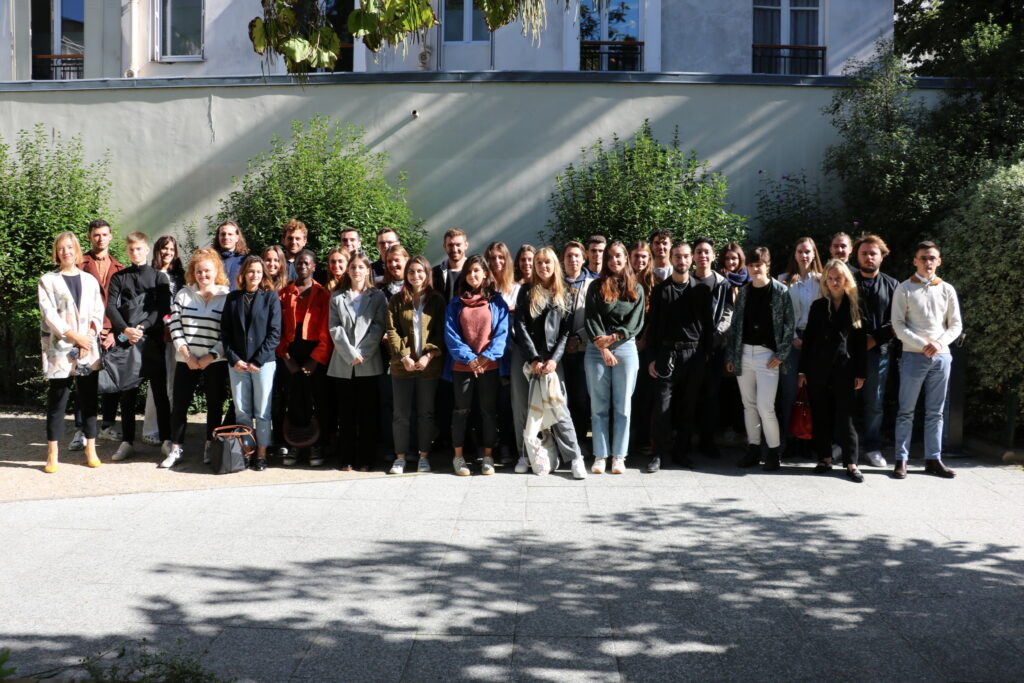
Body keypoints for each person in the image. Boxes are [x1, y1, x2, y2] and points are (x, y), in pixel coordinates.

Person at [512, 247, 587, 479]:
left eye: (547, 263)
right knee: (525, 408)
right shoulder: (526, 291)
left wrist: (554, 359)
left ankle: (575, 458)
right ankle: (525, 454)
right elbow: (520, 326)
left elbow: (565, 332)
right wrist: (533, 357)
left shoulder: (564, 292)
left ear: (555, 265)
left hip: (553, 361)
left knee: (558, 407)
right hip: (528, 359)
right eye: (539, 263)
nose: (543, 267)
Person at [891, 241, 962, 479]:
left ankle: (933, 459)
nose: (927, 262)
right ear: (915, 261)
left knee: (936, 412)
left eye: (932, 258)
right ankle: (901, 460)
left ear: (938, 261)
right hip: (913, 355)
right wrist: (924, 345)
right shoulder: (904, 289)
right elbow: (898, 325)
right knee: (906, 411)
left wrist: (939, 344)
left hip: (941, 357)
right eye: (923, 258)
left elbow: (955, 324)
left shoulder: (947, 289)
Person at [39, 232, 105, 472]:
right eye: (61, 248)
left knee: (88, 401)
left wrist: (88, 335)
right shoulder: (48, 280)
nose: (66, 251)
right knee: (58, 402)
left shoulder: (89, 280)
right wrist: (72, 335)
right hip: (61, 349)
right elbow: (49, 314)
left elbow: (98, 310)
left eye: (70, 247)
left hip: (87, 348)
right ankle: (52, 454)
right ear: (56, 252)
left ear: (77, 250)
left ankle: (91, 449)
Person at [797, 260, 867, 482]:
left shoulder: (855, 305)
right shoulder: (818, 306)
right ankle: (824, 458)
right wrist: (802, 371)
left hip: (845, 370)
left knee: (846, 418)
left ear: (846, 279)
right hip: (818, 370)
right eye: (831, 278)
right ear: (825, 280)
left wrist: (861, 373)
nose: (835, 282)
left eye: (839, 278)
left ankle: (851, 463)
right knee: (821, 416)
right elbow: (808, 342)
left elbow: (860, 344)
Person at [105, 232, 172, 463]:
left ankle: (166, 440)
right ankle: (127, 442)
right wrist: (125, 330)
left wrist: (141, 327)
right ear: (127, 251)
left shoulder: (159, 278)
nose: (135, 253)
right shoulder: (118, 278)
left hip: (151, 341)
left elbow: (162, 308)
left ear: (146, 250)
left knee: (160, 392)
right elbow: (111, 308)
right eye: (131, 249)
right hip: (127, 341)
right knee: (127, 394)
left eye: (139, 249)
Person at [727, 247, 795, 472]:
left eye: (760, 264)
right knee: (749, 405)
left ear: (768, 266)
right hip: (744, 353)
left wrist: (781, 354)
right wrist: (732, 354)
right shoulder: (744, 292)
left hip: (768, 356)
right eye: (752, 265)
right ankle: (753, 448)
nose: (756, 269)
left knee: (766, 406)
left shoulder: (780, 291)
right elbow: (736, 325)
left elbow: (788, 325)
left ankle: (774, 452)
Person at [164, 248, 230, 468]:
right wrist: (187, 355)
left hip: (215, 361)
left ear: (216, 271)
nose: (203, 275)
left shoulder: (226, 297)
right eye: (199, 271)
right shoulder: (183, 294)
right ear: (193, 272)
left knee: (214, 405)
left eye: (207, 271)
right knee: (180, 405)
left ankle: (210, 445)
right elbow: (175, 326)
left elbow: (228, 333)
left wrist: (211, 356)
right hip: (187, 360)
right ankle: (176, 448)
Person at [444, 254, 510, 476]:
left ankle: (488, 457)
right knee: (460, 411)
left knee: (488, 412)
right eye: (469, 271)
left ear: (485, 274)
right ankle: (459, 457)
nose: (473, 275)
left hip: (489, 366)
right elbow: (451, 335)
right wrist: (470, 358)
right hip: (463, 367)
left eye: (477, 271)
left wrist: (485, 357)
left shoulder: (497, 301)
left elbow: (501, 333)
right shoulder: (455, 303)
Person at [584, 241, 645, 475]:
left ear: (626, 258)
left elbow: (635, 323)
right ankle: (600, 455)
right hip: (596, 349)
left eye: (618, 256)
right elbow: (591, 319)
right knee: (598, 406)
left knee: (623, 407)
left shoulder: (636, 289)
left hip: (626, 348)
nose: (614, 261)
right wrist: (604, 348)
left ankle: (619, 456)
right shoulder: (596, 286)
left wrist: (614, 338)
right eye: (610, 257)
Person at [326, 252, 387, 471]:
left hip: (368, 363)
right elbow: (334, 328)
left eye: (361, 267)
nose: (357, 271)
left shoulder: (378, 296)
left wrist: (362, 352)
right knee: (346, 414)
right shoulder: (337, 297)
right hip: (343, 364)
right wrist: (351, 353)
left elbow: (379, 327)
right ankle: (347, 458)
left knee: (367, 414)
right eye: (353, 267)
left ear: (368, 270)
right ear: (348, 271)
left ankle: (367, 458)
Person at [386, 255, 446, 475]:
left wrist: (427, 356)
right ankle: (400, 458)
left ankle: (423, 456)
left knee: (426, 413)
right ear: (406, 274)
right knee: (400, 414)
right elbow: (391, 331)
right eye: (411, 271)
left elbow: (440, 333)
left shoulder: (437, 300)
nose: (415, 275)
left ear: (427, 273)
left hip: (428, 366)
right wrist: (404, 357)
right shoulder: (396, 299)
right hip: (402, 367)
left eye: (420, 271)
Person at [222, 256, 282, 471]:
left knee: (263, 411)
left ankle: (262, 453)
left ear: (263, 274)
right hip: (237, 364)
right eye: (250, 271)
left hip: (263, 364)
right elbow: (225, 333)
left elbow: (275, 334)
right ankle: (246, 451)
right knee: (242, 411)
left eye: (258, 271)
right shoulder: (233, 298)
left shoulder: (270, 298)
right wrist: (234, 359)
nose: (254, 275)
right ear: (243, 274)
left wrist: (258, 360)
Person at [277, 250, 332, 467]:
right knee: (293, 400)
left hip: (314, 354)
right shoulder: (284, 293)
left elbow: (327, 331)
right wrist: (285, 356)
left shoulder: (322, 294)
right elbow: (278, 329)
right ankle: (294, 444)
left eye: (306, 263)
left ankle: (316, 444)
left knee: (317, 399)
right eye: (299, 263)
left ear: (313, 267)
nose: (302, 267)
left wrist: (315, 360)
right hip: (291, 353)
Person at [853, 234, 899, 468]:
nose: (869, 257)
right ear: (857, 255)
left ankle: (872, 447)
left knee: (875, 403)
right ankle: (845, 444)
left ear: (882, 256)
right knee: (846, 400)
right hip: (849, 353)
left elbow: (898, 320)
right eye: (864, 253)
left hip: (879, 353)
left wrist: (873, 339)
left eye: (873, 253)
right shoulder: (847, 281)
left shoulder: (893, 285)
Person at [79, 219, 124, 447]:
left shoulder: (119, 268)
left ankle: (107, 426)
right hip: (86, 331)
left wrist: (115, 332)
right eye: (96, 235)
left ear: (110, 236)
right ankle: (81, 430)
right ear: (89, 237)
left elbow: (123, 305)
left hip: (111, 332)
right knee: (84, 380)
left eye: (104, 234)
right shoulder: (79, 264)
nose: (100, 238)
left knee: (112, 381)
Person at [689, 237, 736, 459]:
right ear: (693, 256)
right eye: (698, 251)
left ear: (713, 256)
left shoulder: (722, 284)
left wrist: (715, 339)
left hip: (714, 348)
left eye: (706, 252)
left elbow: (728, 313)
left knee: (711, 394)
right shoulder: (686, 281)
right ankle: (687, 438)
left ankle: (707, 441)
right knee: (688, 393)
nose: (702, 256)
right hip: (689, 348)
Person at [778, 237, 824, 457]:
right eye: (800, 251)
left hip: (815, 342)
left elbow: (826, 315)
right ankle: (790, 440)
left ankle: (808, 440)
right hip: (791, 340)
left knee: (813, 391)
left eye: (808, 251)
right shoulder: (784, 280)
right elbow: (781, 315)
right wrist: (793, 336)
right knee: (790, 391)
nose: (804, 255)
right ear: (794, 255)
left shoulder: (823, 281)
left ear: (814, 254)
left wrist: (812, 340)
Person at [141, 236, 186, 446]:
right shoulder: (150, 275)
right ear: (157, 251)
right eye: (163, 249)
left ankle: (169, 428)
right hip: (157, 334)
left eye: (171, 249)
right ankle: (151, 429)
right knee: (157, 384)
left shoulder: (180, 276)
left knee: (174, 383)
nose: (167, 252)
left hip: (177, 334)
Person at [487, 241, 521, 465]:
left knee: (510, 403)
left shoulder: (518, 289)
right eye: (492, 258)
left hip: (512, 354)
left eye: (501, 257)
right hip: (489, 354)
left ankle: (510, 444)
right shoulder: (484, 289)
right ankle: (493, 445)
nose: (496, 262)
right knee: (491, 403)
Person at [561, 241, 593, 455]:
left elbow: (595, 318)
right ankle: (563, 443)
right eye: (568, 256)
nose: (573, 260)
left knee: (581, 398)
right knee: (561, 399)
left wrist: (578, 338)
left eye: (576, 256)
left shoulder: (593, 284)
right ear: (562, 260)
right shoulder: (555, 284)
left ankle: (581, 440)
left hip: (584, 349)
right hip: (559, 351)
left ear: (584, 259)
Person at [717, 242, 749, 442]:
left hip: (746, 342)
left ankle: (742, 429)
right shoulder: (720, 281)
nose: (730, 262)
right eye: (727, 258)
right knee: (726, 387)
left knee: (744, 389)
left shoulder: (749, 280)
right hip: (724, 340)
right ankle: (726, 428)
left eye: (734, 258)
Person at [628, 240, 655, 457]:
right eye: (636, 256)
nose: (640, 260)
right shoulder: (622, 280)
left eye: (643, 256)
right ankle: (626, 440)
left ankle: (644, 438)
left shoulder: (656, 282)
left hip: (646, 347)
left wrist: (643, 340)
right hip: (626, 343)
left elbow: (655, 317)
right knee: (628, 394)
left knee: (645, 395)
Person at [432, 228, 469, 302]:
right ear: (444, 247)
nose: (454, 249)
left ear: (466, 245)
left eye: (458, 245)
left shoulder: (475, 272)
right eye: (450, 245)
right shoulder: (434, 273)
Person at [212, 221, 249, 291]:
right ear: (218, 237)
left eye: (230, 234)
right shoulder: (211, 260)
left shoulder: (245, 260)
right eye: (223, 234)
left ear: (237, 238)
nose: (226, 237)